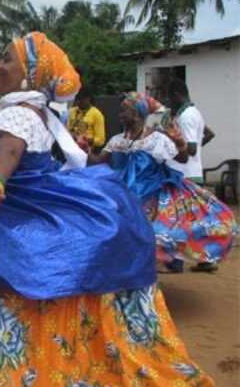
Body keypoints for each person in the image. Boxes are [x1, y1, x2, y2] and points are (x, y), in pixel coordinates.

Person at [0, 32, 213, 387]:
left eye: (6, 59)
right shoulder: (25, 111)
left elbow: (8, 155)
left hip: (8, 201)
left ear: (31, 74)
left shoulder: (19, 113)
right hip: (9, 195)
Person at [90, 92, 237, 274]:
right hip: (121, 196)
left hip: (150, 196)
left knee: (154, 234)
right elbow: (98, 161)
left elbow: (182, 158)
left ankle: (143, 276)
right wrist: (83, 149)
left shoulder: (156, 139)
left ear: (137, 113)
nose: (120, 115)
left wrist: (179, 142)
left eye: (124, 111)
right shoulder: (117, 141)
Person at [166, 78, 208, 184]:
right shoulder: (194, 112)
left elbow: (192, 149)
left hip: (185, 176)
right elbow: (206, 136)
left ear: (176, 95)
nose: (169, 102)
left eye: (169, 98)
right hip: (189, 173)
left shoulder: (187, 116)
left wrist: (167, 147)